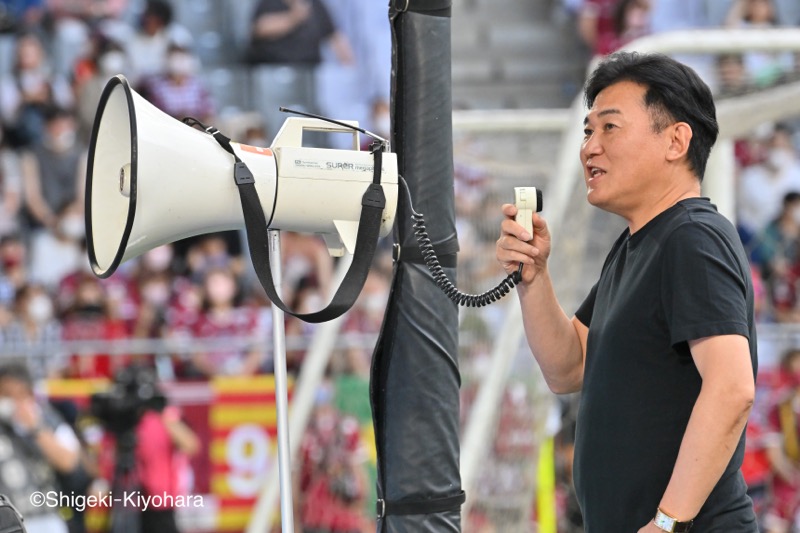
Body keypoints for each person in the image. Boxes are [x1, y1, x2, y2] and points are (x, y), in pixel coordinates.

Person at [496, 51, 758, 531]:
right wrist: (534, 276)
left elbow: (733, 386)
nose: (589, 147)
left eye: (609, 128)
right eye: (587, 131)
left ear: (676, 140)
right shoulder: (639, 245)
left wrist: (668, 522)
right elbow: (569, 366)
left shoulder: (692, 237)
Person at [0, 362, 82, 533]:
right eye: (6, 395)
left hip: (46, 517)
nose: (13, 403)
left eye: (19, 395)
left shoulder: (47, 419)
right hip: (6, 521)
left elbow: (68, 462)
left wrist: (34, 428)